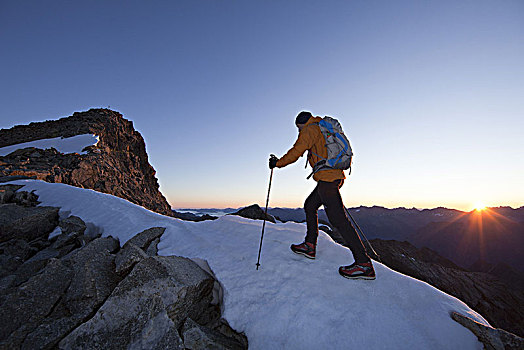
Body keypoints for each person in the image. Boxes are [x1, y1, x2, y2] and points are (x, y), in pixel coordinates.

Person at [269, 111, 376, 280]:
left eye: (298, 128)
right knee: (310, 205)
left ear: (302, 124)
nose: (298, 132)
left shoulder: (310, 130)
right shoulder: (320, 127)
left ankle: (363, 264)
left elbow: (296, 152)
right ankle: (310, 245)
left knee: (338, 220)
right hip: (331, 177)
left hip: (328, 179)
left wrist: (277, 163)